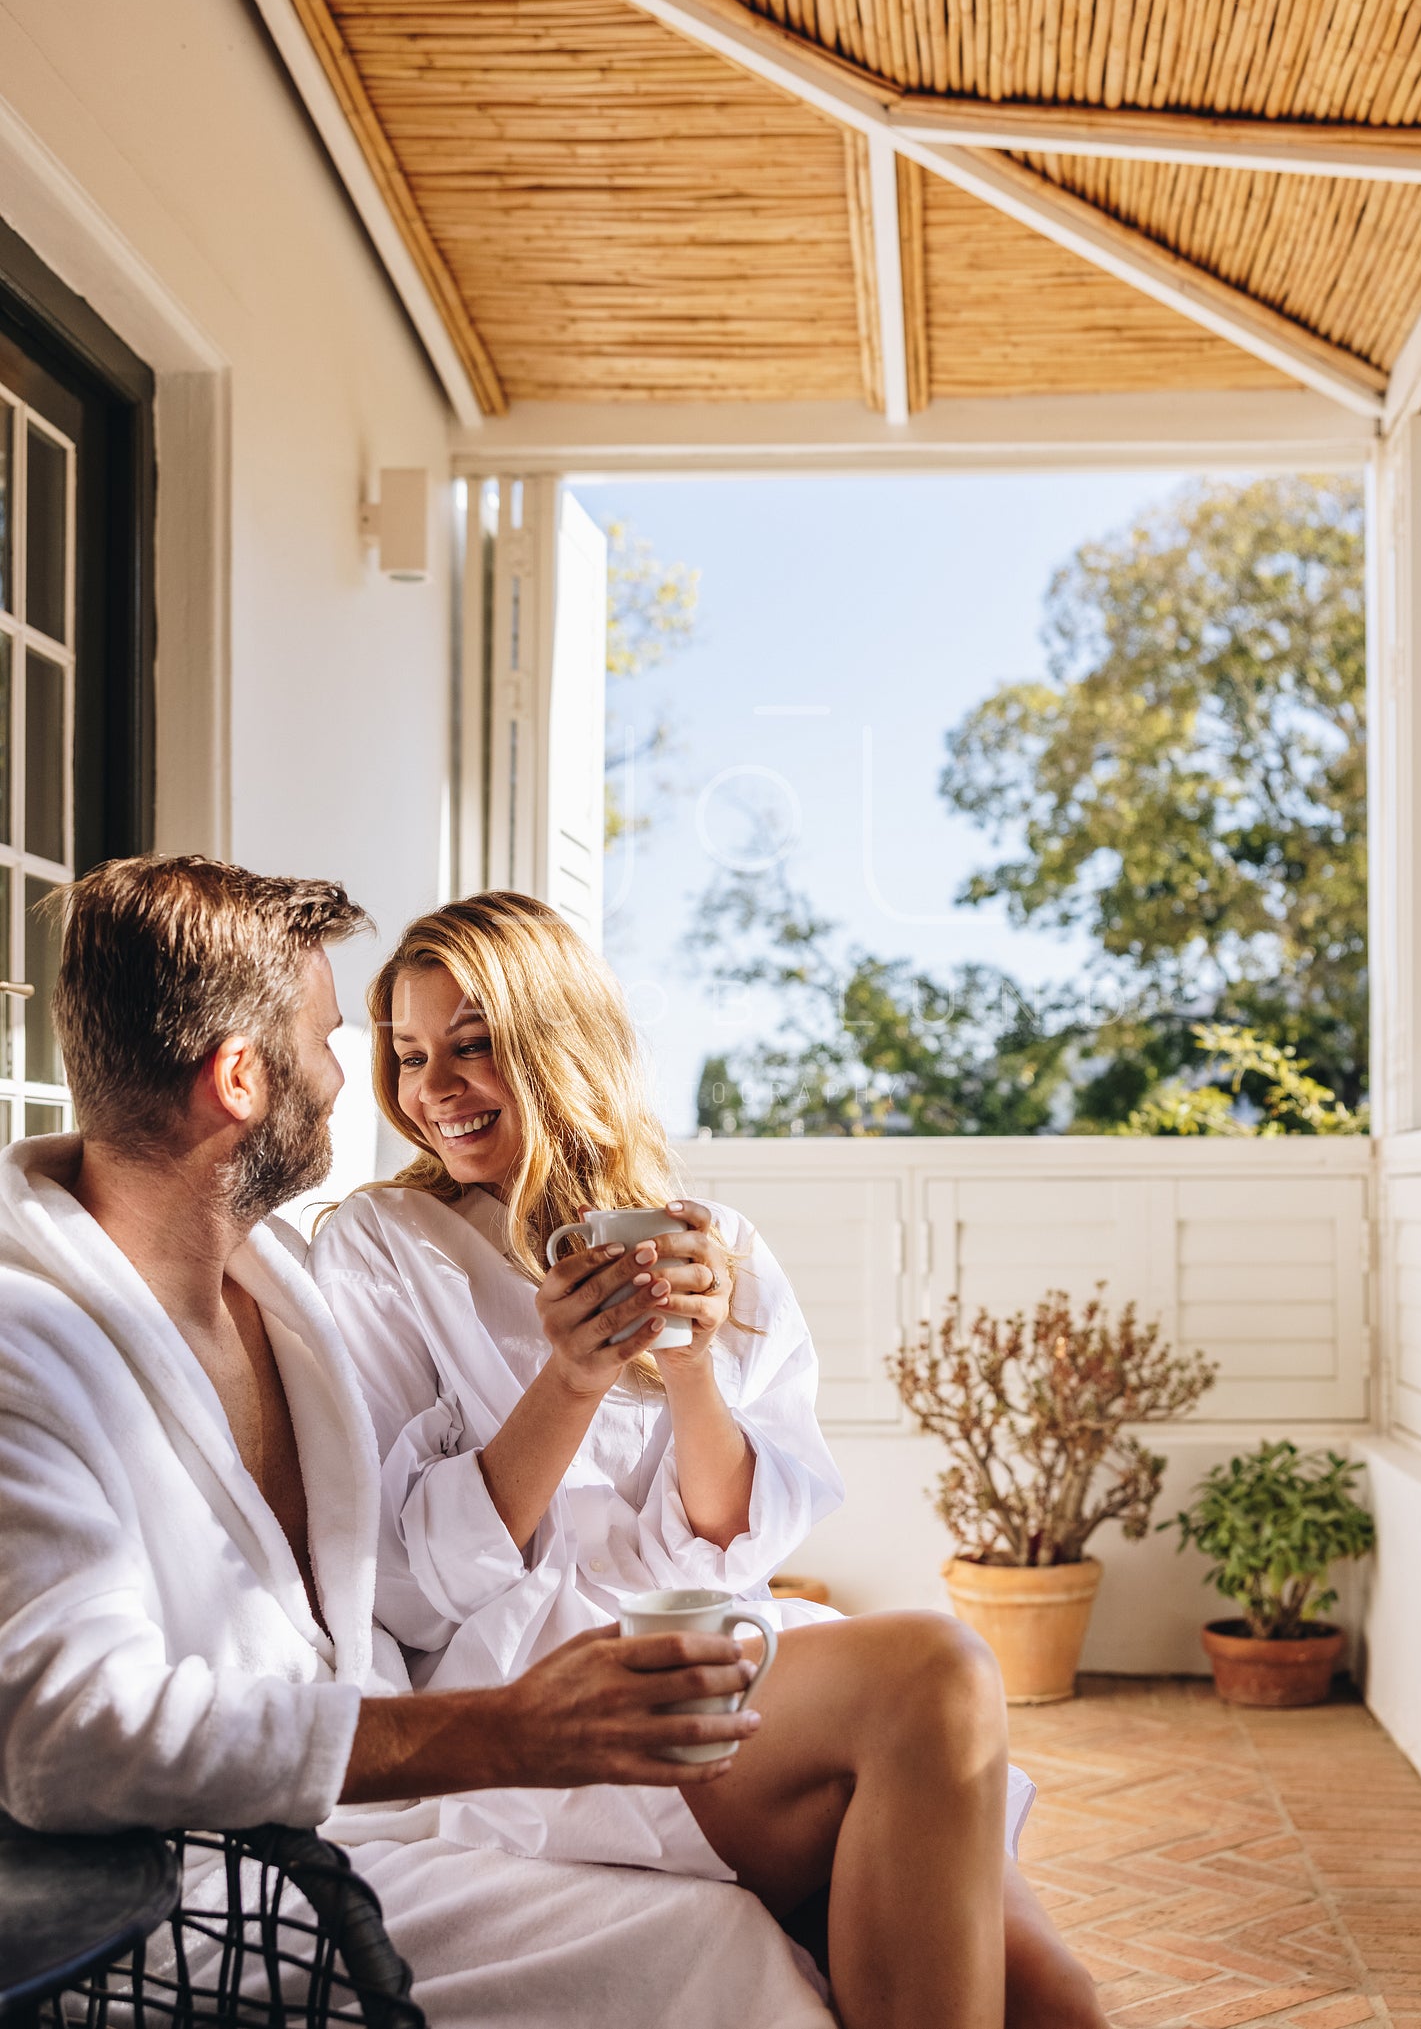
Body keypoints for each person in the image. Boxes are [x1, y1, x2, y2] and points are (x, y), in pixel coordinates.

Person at [0, 857, 833, 2029]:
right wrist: (499, 1730)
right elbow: (65, 1737)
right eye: (339, 1039)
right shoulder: (28, 1343)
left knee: (811, 1917)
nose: (356, 1083)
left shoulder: (272, 1289)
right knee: (728, 1946)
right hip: (190, 1898)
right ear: (242, 1077)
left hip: (381, 1820)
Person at [312, 891, 1107, 2029]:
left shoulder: (709, 1241)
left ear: (557, 1037)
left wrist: (689, 1365)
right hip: (547, 1675)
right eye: (409, 1053)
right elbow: (403, 1576)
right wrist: (572, 1374)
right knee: (935, 1669)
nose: (435, 1086)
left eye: (474, 1044)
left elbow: (742, 1532)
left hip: (721, 1634)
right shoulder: (381, 1247)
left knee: (1057, 2002)